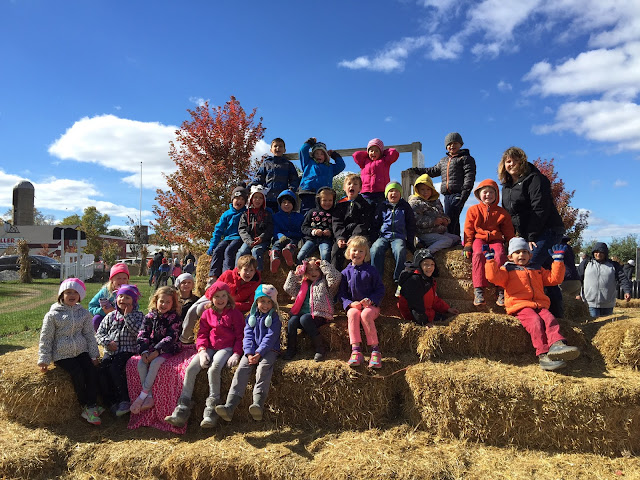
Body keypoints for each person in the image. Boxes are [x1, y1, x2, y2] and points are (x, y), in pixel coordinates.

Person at [485, 237, 580, 371]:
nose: (521, 255)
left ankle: (557, 344)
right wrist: (490, 261)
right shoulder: (507, 270)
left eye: (525, 252)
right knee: (535, 322)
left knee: (550, 319)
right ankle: (543, 355)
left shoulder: (537, 268)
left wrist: (558, 261)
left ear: (530, 255)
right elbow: (493, 277)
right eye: (517, 252)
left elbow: (554, 279)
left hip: (539, 305)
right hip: (520, 306)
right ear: (510, 257)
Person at [165, 282, 245, 429]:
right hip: (208, 348)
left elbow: (241, 336)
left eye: (223, 296)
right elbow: (202, 334)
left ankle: (211, 409)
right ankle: (182, 408)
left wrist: (236, 353)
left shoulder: (235, 314)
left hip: (226, 348)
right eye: (216, 296)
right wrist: (201, 351)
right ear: (211, 298)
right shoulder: (207, 314)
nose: (220, 299)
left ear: (228, 297)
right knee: (191, 369)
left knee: (214, 368)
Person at [499, 146, 565, 318]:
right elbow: (508, 214)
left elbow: (540, 208)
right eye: (508, 161)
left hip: (547, 229)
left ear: (522, 162)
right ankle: (555, 315)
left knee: (529, 266)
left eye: (515, 160)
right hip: (527, 233)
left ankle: (535, 312)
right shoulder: (506, 187)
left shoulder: (535, 179)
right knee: (544, 271)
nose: (511, 164)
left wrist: (531, 236)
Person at [38, 278, 102, 425]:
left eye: (75, 292)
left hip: (81, 351)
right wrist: (44, 360)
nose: (72, 295)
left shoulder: (84, 314)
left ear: (80, 296)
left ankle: (92, 405)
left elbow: (89, 335)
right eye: (68, 292)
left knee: (91, 371)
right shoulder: (53, 315)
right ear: (62, 295)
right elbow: (46, 338)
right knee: (77, 373)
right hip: (62, 354)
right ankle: (85, 405)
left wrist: (94, 355)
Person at [215, 284, 282, 422]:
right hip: (252, 351)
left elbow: (270, 337)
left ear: (273, 304)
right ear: (256, 301)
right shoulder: (251, 317)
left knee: (263, 368)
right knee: (242, 368)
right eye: (262, 301)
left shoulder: (275, 318)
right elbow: (248, 336)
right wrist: (249, 353)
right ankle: (230, 406)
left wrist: (259, 353)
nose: (265, 305)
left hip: (269, 350)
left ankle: (258, 403)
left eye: (269, 302)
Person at [409, 132, 476, 237]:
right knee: (451, 217)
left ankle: (453, 239)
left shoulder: (466, 159)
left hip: (458, 193)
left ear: (461, 144)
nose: (452, 146)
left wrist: (465, 193)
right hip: (447, 195)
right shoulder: (443, 161)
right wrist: (417, 170)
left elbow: (469, 177)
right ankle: (455, 239)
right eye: (449, 144)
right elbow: (432, 171)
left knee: (452, 216)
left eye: (455, 143)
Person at [130, 286, 182, 414]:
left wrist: (157, 351)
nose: (164, 304)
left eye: (168, 302)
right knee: (141, 364)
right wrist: (144, 351)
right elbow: (142, 334)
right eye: (161, 301)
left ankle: (142, 396)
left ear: (173, 304)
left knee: (155, 363)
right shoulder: (150, 316)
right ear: (156, 301)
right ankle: (149, 396)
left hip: (168, 348)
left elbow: (171, 337)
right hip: (151, 348)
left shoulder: (174, 318)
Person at [462, 179, 514, 306]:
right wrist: (468, 245)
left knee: (500, 255)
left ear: (496, 195)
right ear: (479, 194)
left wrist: (511, 245)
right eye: (485, 192)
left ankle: (500, 289)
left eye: (491, 192)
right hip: (479, 239)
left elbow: (508, 230)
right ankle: (479, 290)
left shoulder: (502, 212)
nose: (488, 195)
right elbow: (468, 229)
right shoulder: (473, 210)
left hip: (496, 239)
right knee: (478, 254)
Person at [96, 284, 144, 417]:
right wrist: (107, 342)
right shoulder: (111, 316)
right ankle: (111, 402)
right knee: (102, 370)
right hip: (110, 351)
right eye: (120, 296)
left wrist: (127, 317)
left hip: (128, 351)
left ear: (134, 301)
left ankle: (124, 400)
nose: (123, 300)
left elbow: (139, 333)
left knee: (115, 368)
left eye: (127, 298)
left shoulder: (138, 316)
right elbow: (99, 334)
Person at [338, 236, 385, 368]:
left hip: (371, 306)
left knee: (365, 315)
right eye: (354, 250)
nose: (357, 253)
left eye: (361, 251)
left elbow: (380, 289)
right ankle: (356, 351)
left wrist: (371, 300)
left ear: (366, 254)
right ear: (348, 252)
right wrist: (350, 304)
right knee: (352, 314)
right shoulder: (345, 273)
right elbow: (342, 294)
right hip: (355, 306)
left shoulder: (371, 271)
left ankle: (375, 351)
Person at [283, 257, 341, 361]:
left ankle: (320, 349)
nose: (313, 272)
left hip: (320, 315)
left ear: (321, 270)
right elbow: (288, 288)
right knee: (292, 321)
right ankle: (291, 349)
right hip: (304, 316)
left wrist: (323, 264)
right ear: (305, 272)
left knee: (304, 319)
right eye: (309, 270)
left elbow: (336, 278)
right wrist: (296, 274)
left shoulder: (325, 284)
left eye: (316, 269)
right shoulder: (302, 284)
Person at [370, 181, 416, 285]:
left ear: (400, 194)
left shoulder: (405, 207)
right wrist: (373, 239)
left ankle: (398, 277)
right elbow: (376, 223)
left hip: (398, 237)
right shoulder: (382, 206)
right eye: (391, 191)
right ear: (386, 194)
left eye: (396, 191)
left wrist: (410, 242)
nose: (394, 193)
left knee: (400, 250)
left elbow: (411, 224)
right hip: (383, 236)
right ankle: (376, 277)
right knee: (375, 249)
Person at [397, 249, 459, 325]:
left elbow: (434, 300)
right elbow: (415, 307)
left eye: (432, 264)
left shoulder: (429, 280)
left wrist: (447, 309)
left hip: (428, 314)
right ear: (419, 265)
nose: (430, 267)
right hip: (414, 319)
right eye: (426, 264)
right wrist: (424, 322)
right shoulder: (413, 281)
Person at [331, 173, 374, 271]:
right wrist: (340, 237)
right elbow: (337, 222)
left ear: (360, 188)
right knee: (336, 251)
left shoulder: (365, 205)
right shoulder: (340, 205)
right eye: (349, 184)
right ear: (344, 188)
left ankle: (364, 275)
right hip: (344, 235)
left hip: (359, 235)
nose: (352, 186)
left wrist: (355, 237)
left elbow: (364, 222)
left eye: (355, 184)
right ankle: (335, 276)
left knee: (363, 249)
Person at [206, 183, 249, 280]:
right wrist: (212, 245)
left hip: (239, 238)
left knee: (229, 251)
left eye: (242, 199)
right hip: (227, 238)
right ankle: (213, 276)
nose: (239, 201)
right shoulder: (227, 214)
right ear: (232, 200)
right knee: (218, 250)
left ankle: (227, 276)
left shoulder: (246, 213)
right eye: (237, 198)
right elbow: (218, 230)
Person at [409, 174, 460, 254]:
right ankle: (425, 253)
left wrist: (446, 220)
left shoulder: (436, 202)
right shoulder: (415, 203)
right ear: (417, 190)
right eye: (422, 189)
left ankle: (426, 246)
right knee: (447, 241)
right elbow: (416, 221)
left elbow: (442, 214)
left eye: (428, 189)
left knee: (456, 238)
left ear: (432, 190)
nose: (425, 192)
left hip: (439, 232)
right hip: (425, 233)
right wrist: (434, 221)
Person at [578, 242, 631, 318]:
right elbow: (578, 279)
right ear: (593, 253)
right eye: (596, 252)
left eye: (601, 252)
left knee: (608, 325)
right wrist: (577, 294)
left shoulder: (614, 265)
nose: (598, 254)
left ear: (605, 253)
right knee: (594, 324)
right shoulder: (586, 263)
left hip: (608, 304)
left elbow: (623, 278)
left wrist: (627, 291)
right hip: (590, 303)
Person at [249, 137, 300, 212]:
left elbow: (294, 179)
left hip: (282, 199)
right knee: (267, 216)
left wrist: (291, 190)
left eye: (280, 146)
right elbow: (259, 178)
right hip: (267, 197)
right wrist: (249, 186)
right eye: (275, 146)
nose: (278, 148)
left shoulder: (288, 164)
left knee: (280, 217)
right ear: (271, 150)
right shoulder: (266, 163)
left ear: (284, 150)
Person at [298, 137, 346, 216]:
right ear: (313, 155)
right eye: (316, 153)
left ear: (326, 156)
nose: (319, 155)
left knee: (322, 214)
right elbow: (302, 151)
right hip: (308, 192)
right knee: (306, 213)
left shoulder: (330, 167)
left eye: (322, 154)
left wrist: (334, 155)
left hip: (324, 194)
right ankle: (305, 224)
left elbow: (341, 165)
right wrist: (310, 142)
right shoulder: (308, 162)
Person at [352, 138, 399, 205]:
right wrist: (366, 154)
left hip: (380, 193)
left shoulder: (385, 161)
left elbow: (393, 152)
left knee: (380, 210)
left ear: (380, 153)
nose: (373, 153)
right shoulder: (364, 162)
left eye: (376, 151)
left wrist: (383, 152)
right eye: (371, 151)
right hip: (366, 193)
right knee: (366, 210)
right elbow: (356, 155)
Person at [237, 185, 273, 272]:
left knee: (256, 251)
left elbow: (269, 229)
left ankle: (257, 275)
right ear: (251, 199)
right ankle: (237, 274)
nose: (258, 200)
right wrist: (249, 241)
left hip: (263, 241)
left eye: (260, 198)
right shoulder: (245, 214)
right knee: (241, 252)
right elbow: (242, 229)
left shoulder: (267, 214)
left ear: (263, 200)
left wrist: (261, 238)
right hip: (249, 240)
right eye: (255, 197)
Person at [297, 187, 336, 263]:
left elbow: (337, 227)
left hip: (325, 240)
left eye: (330, 200)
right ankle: (301, 269)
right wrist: (313, 231)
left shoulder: (334, 213)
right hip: (311, 239)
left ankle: (325, 270)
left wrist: (330, 232)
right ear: (319, 200)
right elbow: (304, 227)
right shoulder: (312, 212)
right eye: (324, 200)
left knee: (325, 255)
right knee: (300, 256)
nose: (327, 203)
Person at [88, 262, 130, 331]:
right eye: (118, 278)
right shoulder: (105, 292)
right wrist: (102, 311)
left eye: (124, 278)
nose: (122, 281)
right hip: (106, 319)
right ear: (112, 280)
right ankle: (101, 335)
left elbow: (136, 306)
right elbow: (91, 306)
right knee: (96, 319)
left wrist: (128, 310)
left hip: (123, 319)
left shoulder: (129, 292)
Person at [270, 190, 304, 273]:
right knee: (277, 244)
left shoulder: (299, 217)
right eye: (284, 202)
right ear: (280, 204)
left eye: (289, 202)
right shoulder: (276, 216)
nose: (286, 204)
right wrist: (280, 236)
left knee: (291, 244)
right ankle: (274, 257)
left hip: (293, 238)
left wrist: (294, 235)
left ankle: (288, 253)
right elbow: (275, 230)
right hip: (280, 238)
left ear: (293, 204)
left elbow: (301, 230)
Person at [559, 236, 582, 301]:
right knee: (570, 304)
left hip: (565, 280)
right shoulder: (569, 248)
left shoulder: (558, 248)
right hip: (576, 280)